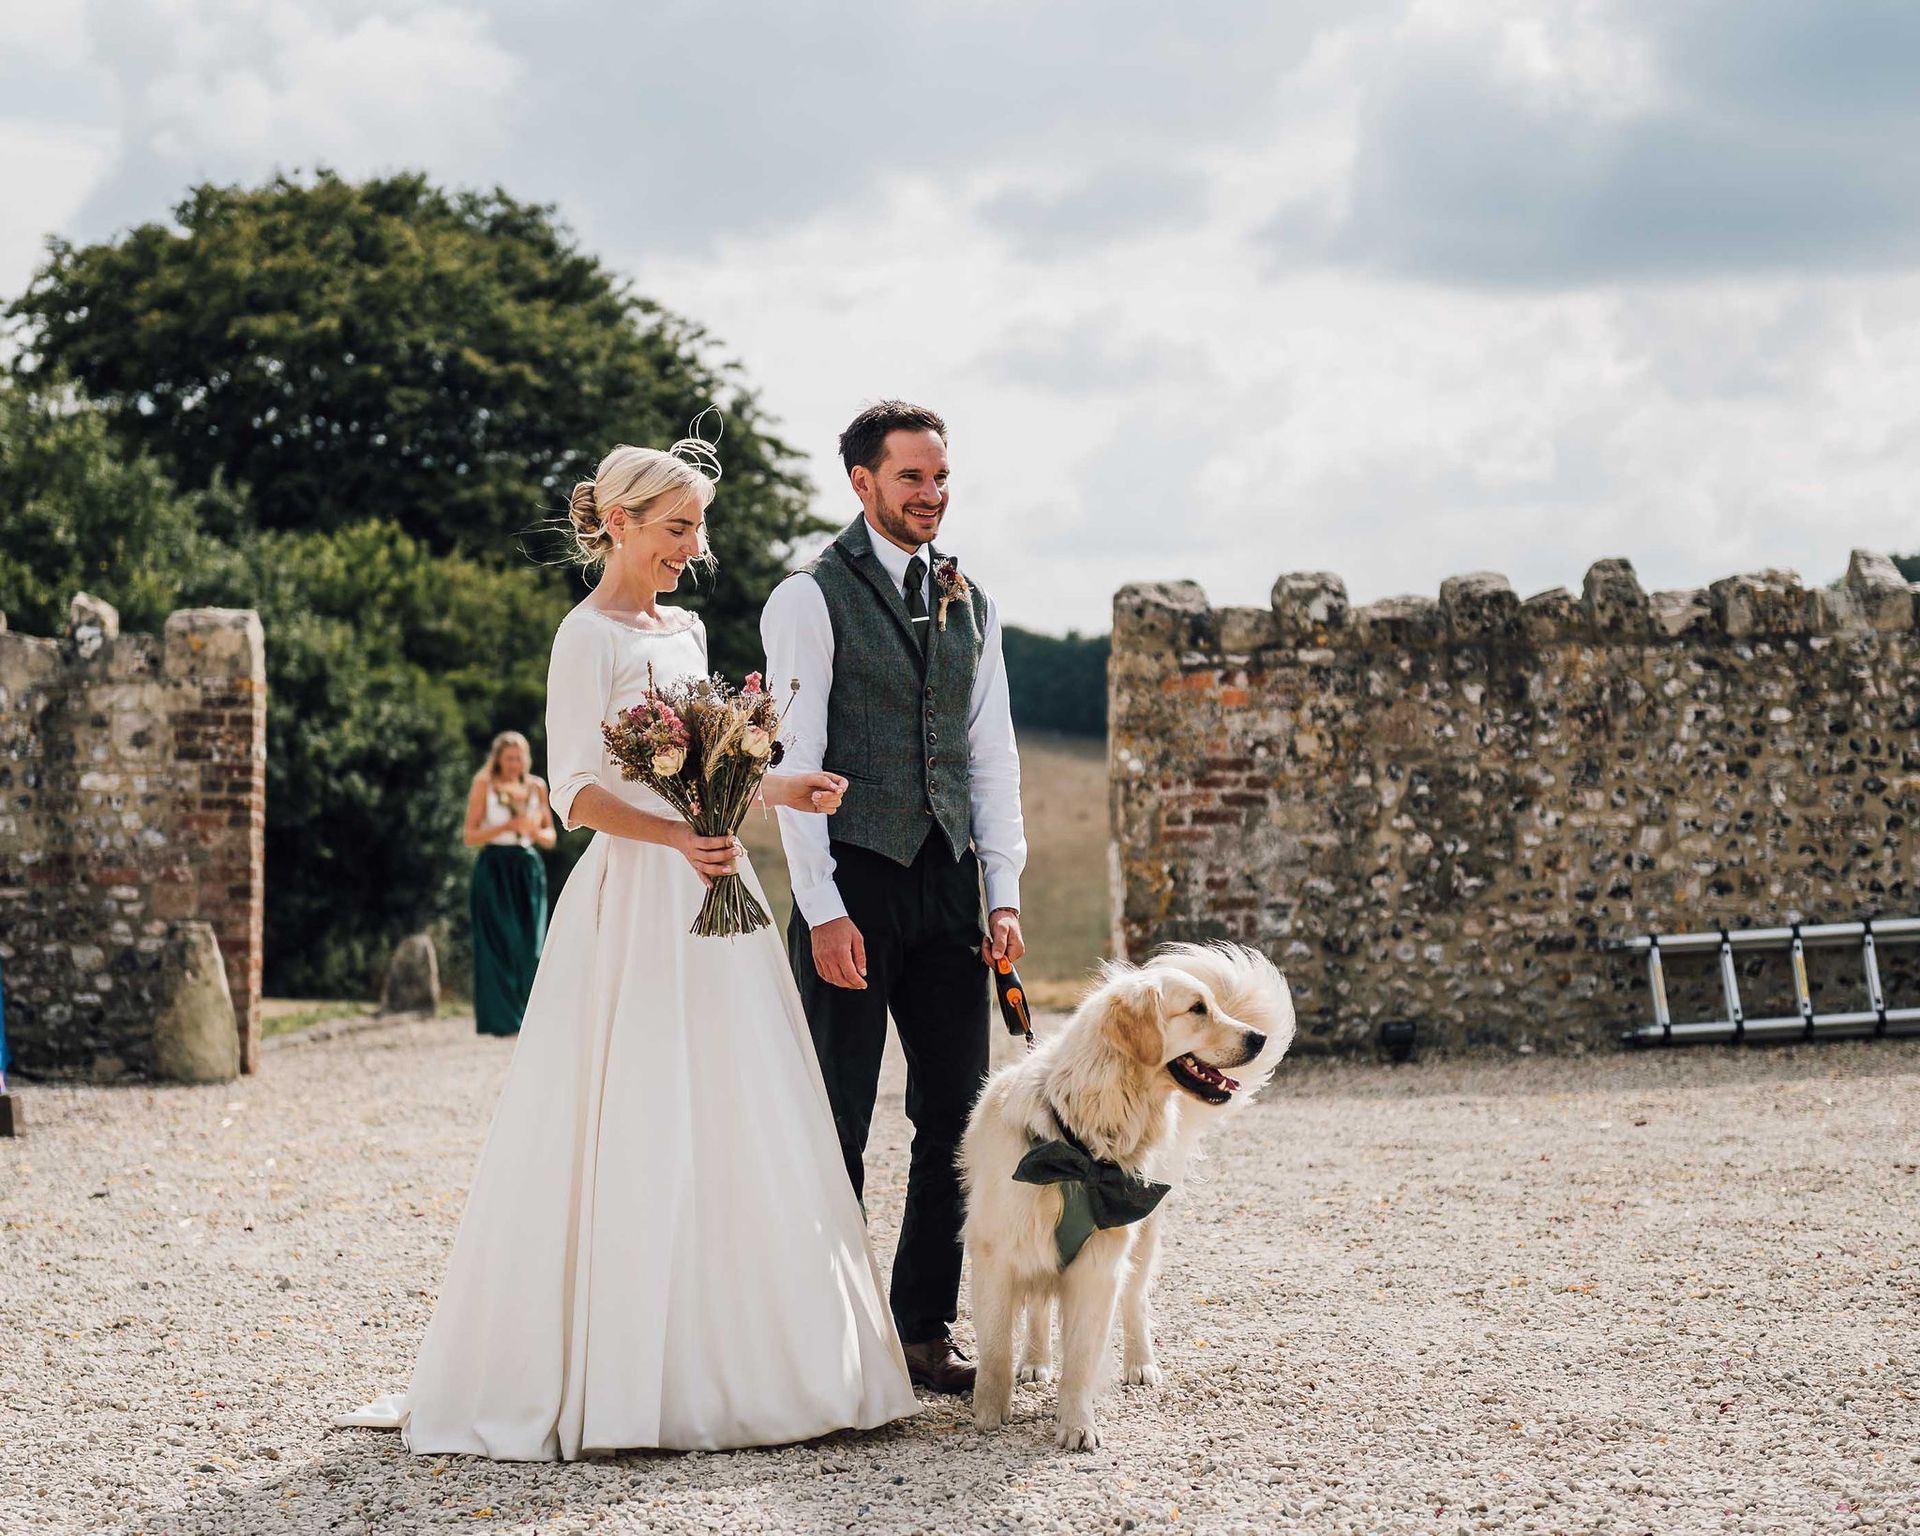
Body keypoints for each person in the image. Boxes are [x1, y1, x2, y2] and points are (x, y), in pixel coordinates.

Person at [338, 436, 917, 1458]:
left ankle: (754, 1362)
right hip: (639, 897)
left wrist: (780, 788)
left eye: (699, 529)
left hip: (713, 886)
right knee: (639, 1106)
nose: (694, 548)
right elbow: (575, 794)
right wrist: (679, 837)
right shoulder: (584, 638)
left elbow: (709, 764)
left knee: (736, 1103)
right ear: (618, 524)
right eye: (676, 528)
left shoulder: (686, 629)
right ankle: (622, 1376)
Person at [761, 400, 1027, 1394]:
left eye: (941, 477)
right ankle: (823, 1338)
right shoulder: (808, 597)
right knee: (834, 1115)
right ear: (862, 482)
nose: (931, 494)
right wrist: (823, 907)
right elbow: (793, 761)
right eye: (911, 476)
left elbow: (990, 754)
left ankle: (921, 1330)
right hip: (855, 879)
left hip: (951, 883)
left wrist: (1002, 891)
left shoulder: (973, 600)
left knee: (957, 1114)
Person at [462, 731, 555, 1036]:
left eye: (519, 758)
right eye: (509, 758)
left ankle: (530, 1019)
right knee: (498, 941)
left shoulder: (536, 786)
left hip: (527, 868)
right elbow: (470, 836)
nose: (515, 763)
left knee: (530, 945)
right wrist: (507, 825)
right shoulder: (484, 785)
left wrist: (532, 831)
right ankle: (502, 1021)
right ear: (498, 759)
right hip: (494, 867)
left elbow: (550, 837)